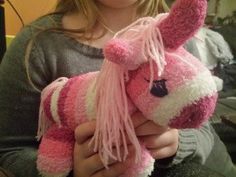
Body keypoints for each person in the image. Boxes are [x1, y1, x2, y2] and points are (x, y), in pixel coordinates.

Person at [0, 0, 235, 177]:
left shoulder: (174, 36)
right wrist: (72, 168)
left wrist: (178, 142)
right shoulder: (37, 46)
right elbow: (9, 149)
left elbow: (204, 127)